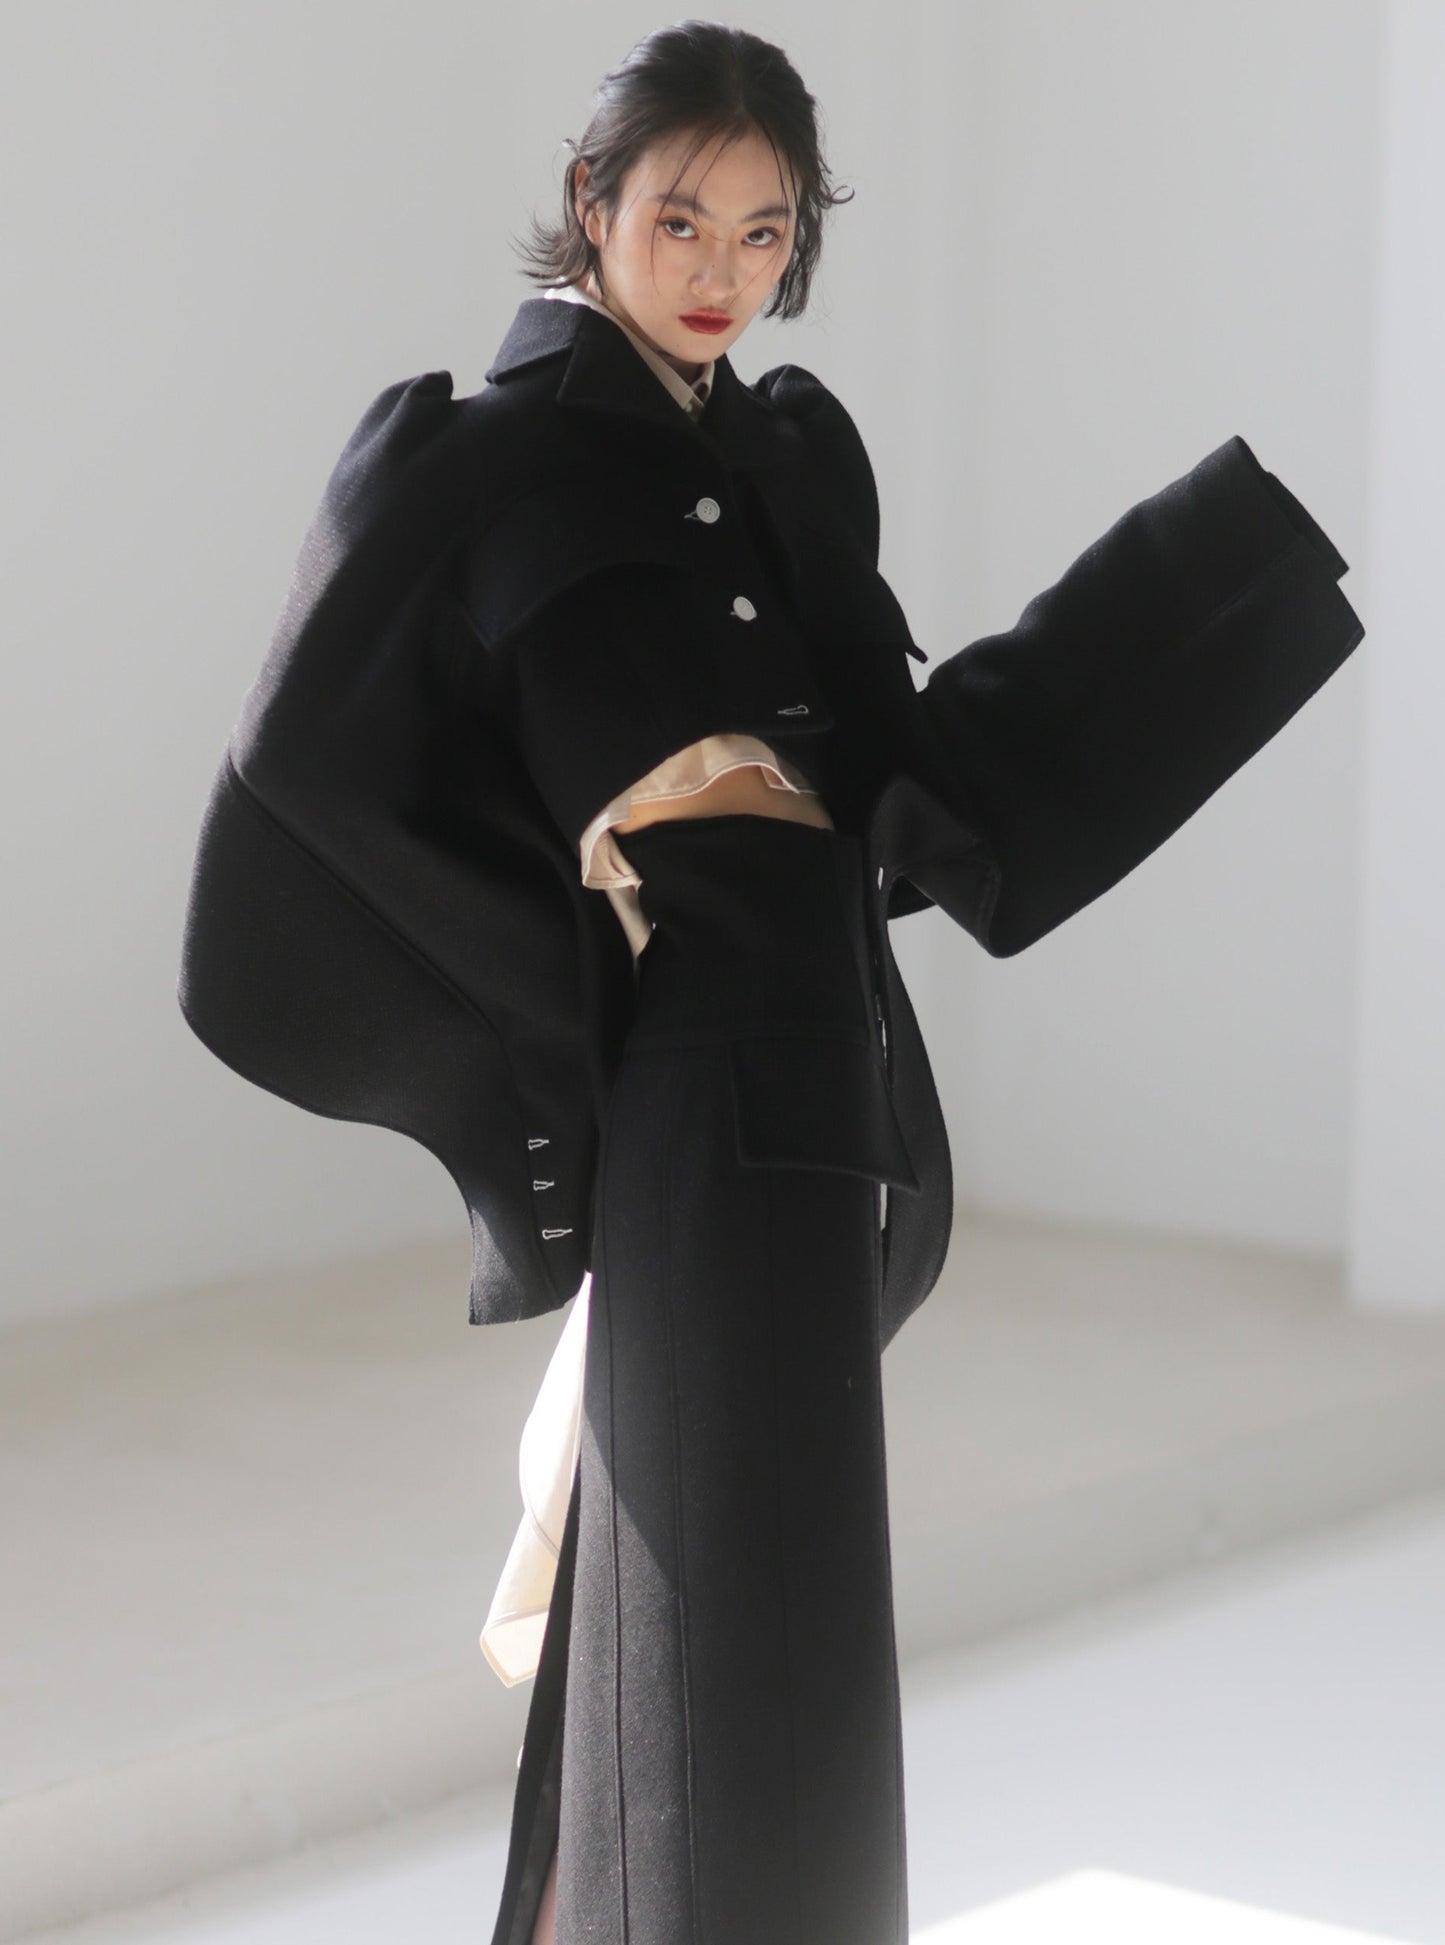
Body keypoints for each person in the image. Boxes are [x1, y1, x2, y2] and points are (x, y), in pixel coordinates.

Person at [175, 21, 1363, 1945]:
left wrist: (1215, 583)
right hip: (683, 1074)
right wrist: (561, 984)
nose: (720, 268)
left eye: (762, 229)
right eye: (679, 219)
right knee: (722, 1610)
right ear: (590, 205)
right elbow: (302, 776)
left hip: (824, 1050)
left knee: (758, 1600)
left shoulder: (791, 454)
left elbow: (906, 772)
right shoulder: (468, 464)